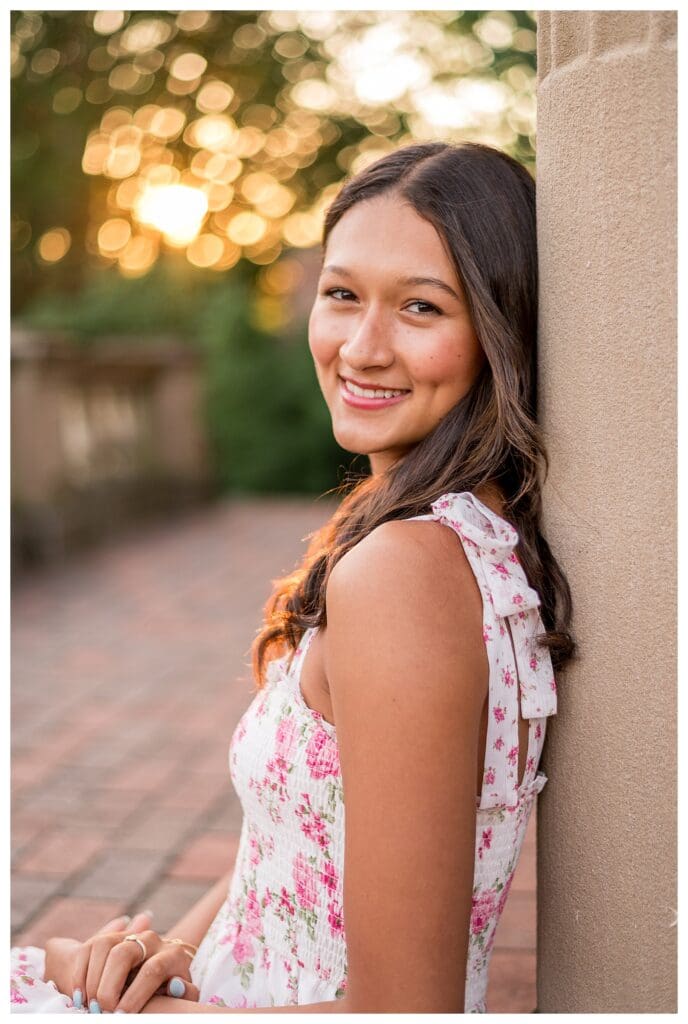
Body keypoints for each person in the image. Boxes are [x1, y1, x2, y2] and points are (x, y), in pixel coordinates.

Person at [10, 140, 574, 1014]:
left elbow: (401, 1011)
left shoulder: (404, 577)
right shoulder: (455, 537)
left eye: (421, 308)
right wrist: (169, 955)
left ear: (501, 333)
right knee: (55, 964)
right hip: (232, 984)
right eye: (342, 295)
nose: (362, 347)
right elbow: (288, 847)